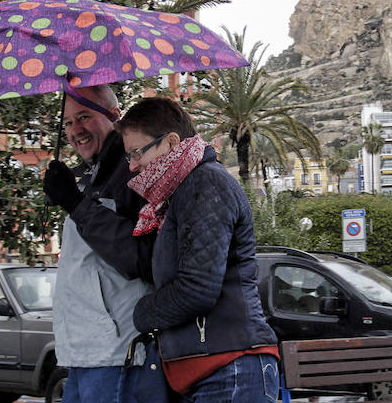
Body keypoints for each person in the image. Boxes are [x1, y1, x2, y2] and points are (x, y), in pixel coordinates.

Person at [114, 96, 280, 402]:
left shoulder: (206, 185)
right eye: (129, 157)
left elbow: (197, 288)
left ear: (171, 142)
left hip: (230, 370)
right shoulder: (179, 194)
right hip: (214, 368)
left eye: (137, 153)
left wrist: (140, 312)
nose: (134, 166)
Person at [42, 85, 154, 403]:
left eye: (84, 117)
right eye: (67, 123)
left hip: (116, 352)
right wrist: (72, 197)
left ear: (115, 117)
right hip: (83, 351)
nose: (75, 130)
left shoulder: (133, 171)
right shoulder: (93, 176)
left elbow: (140, 257)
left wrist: (76, 204)